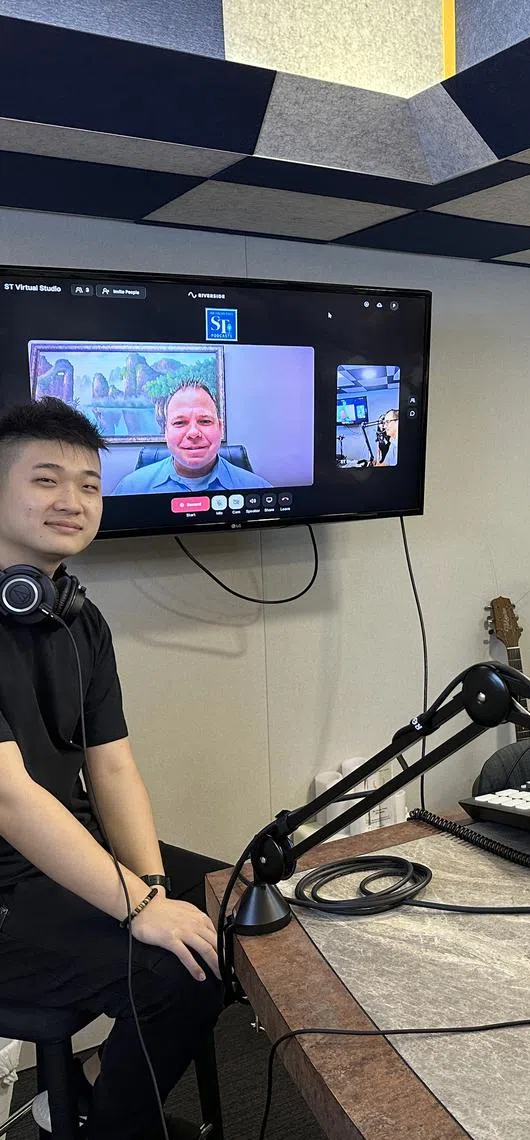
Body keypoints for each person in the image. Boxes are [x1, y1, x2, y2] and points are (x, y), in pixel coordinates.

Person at [0, 398, 224, 1139]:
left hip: (58, 855)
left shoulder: (77, 617)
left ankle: (95, 1095)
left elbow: (114, 768)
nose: (72, 501)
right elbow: (10, 801)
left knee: (238, 900)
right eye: (47, 479)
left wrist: (153, 887)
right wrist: (141, 910)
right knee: (167, 973)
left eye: (90, 485)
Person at [109, 381, 270, 494]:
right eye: (180, 422)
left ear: (220, 428)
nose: (193, 433)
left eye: (205, 421)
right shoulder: (130, 488)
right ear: (166, 432)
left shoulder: (258, 489)